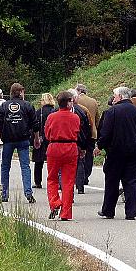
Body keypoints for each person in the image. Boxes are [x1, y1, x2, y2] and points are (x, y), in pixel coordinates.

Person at [95, 86, 136, 220]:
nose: (113, 98)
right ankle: (131, 211)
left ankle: (108, 210)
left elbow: (105, 133)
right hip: (134, 150)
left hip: (115, 151)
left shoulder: (111, 112)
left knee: (112, 181)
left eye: (114, 95)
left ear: (120, 96)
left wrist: (99, 146)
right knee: (132, 181)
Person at [45, 91, 86, 221]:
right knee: (68, 181)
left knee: (52, 178)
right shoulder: (75, 117)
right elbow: (80, 134)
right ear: (68, 102)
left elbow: (47, 134)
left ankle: (55, 202)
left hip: (55, 147)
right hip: (70, 148)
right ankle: (66, 213)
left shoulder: (52, 117)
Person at [0, 83, 39, 204]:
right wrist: (36, 138)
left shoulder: (4, 106)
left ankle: (4, 194)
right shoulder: (27, 106)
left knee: (5, 167)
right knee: (25, 167)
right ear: (20, 92)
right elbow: (35, 124)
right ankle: (28, 193)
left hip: (8, 140)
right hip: (23, 140)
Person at [69, 88, 94, 194]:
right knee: (80, 163)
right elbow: (88, 127)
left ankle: (63, 186)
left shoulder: (58, 110)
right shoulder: (83, 109)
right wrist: (84, 144)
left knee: (64, 166)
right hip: (78, 140)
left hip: (63, 141)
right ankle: (80, 186)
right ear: (75, 98)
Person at [75, 84, 100, 192]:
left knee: (79, 156)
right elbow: (97, 117)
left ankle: (79, 177)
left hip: (80, 132)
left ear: (78, 91)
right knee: (89, 155)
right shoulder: (93, 101)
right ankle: (86, 175)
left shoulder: (76, 102)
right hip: (92, 132)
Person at [33, 93, 56, 189]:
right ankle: (55, 181)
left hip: (41, 138)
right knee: (54, 162)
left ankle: (38, 182)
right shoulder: (55, 111)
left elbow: (34, 125)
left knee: (39, 162)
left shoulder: (39, 112)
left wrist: (35, 138)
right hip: (52, 139)